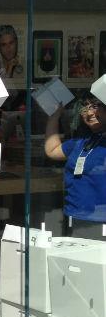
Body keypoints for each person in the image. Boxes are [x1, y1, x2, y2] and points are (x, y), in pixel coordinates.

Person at [44, 91, 106, 239]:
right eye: (84, 108)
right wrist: (54, 116)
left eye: (95, 106)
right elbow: (52, 151)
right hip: (75, 215)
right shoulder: (82, 142)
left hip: (100, 220)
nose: (89, 112)